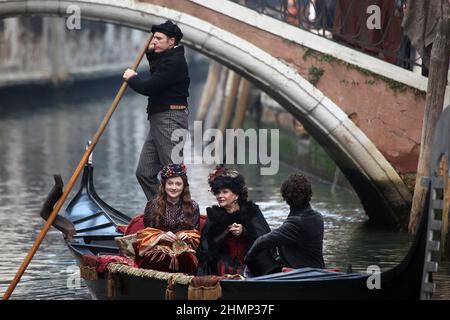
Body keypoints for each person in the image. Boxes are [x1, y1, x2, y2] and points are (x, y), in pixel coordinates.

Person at [123, 20, 190, 200]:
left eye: (159, 38)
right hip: (158, 120)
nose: (154, 41)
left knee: (173, 173)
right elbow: (155, 63)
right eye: (153, 38)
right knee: (144, 172)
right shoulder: (167, 58)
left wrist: (132, 78)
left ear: (172, 41)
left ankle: (181, 215)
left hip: (170, 118)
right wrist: (151, 49)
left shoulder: (175, 62)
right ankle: (161, 210)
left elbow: (150, 87)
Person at [197, 166, 278, 276]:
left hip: (250, 263)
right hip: (222, 265)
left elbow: (264, 238)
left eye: (225, 192)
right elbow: (206, 248)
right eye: (217, 192)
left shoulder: (252, 212)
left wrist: (244, 231)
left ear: (236, 195)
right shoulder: (214, 217)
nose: (220, 196)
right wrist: (225, 232)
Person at [245, 173, 325, 271]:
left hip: (302, 274)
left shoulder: (295, 222)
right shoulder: (318, 217)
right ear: (309, 193)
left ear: (285, 197)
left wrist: (246, 261)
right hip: (318, 269)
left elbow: (261, 242)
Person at [135, 163, 200, 275]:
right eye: (170, 183)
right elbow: (145, 234)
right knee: (160, 258)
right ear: (164, 185)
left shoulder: (193, 206)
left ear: (184, 186)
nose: (174, 188)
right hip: (158, 248)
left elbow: (196, 235)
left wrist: (188, 237)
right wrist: (160, 237)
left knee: (186, 259)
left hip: (183, 248)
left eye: (178, 184)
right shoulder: (152, 205)